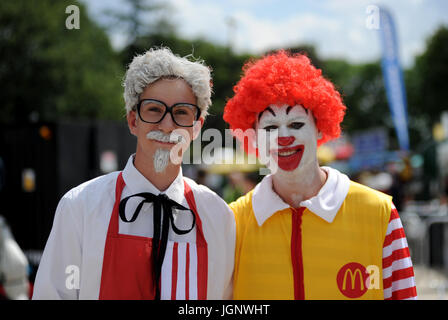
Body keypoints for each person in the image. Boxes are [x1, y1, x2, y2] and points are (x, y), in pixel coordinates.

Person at [32, 47, 235, 300]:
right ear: (132, 121)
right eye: (154, 109)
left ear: (196, 128)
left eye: (181, 112)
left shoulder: (218, 216)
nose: (167, 125)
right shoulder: (80, 206)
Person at [223, 50, 417, 300]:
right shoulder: (234, 222)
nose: (283, 137)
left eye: (296, 124)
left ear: (319, 127)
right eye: (270, 127)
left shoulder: (378, 213)